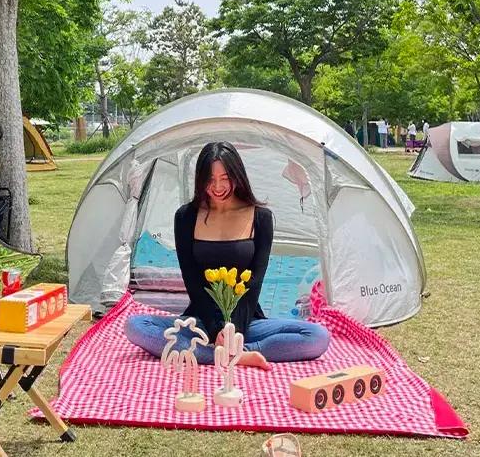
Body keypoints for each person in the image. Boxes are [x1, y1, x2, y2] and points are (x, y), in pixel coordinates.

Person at [124, 142, 330, 368]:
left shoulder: (260, 217)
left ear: (237, 175)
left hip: (247, 321)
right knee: (136, 326)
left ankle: (237, 352)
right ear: (200, 180)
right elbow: (193, 282)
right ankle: (226, 355)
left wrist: (234, 332)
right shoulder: (185, 217)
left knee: (317, 336)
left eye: (225, 178)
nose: (218, 186)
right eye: (210, 179)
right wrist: (215, 329)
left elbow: (253, 283)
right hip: (201, 320)